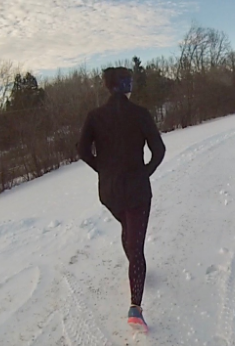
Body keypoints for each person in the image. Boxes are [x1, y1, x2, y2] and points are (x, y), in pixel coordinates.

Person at [77, 67, 166, 332]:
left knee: (128, 230)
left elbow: (82, 151)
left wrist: (103, 170)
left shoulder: (94, 116)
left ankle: (135, 272)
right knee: (135, 244)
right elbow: (159, 151)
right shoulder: (140, 114)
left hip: (110, 192)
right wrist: (144, 173)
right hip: (137, 190)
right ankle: (135, 308)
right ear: (126, 85)